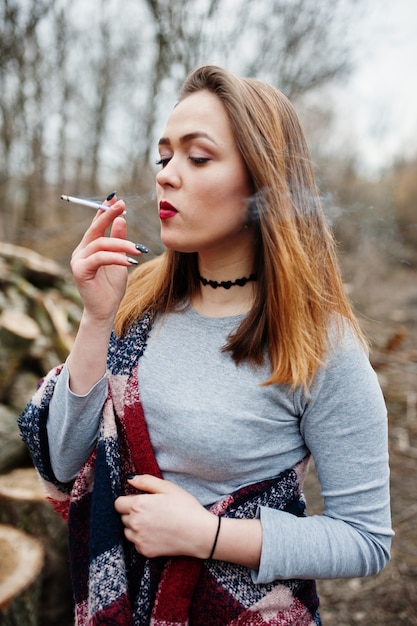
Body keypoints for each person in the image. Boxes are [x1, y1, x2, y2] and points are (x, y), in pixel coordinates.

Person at [19, 65, 393, 625]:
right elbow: (65, 462)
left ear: (264, 183)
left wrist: (209, 535)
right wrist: (97, 318)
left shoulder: (319, 344)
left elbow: (365, 540)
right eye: (163, 157)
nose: (167, 176)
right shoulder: (135, 305)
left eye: (197, 157)